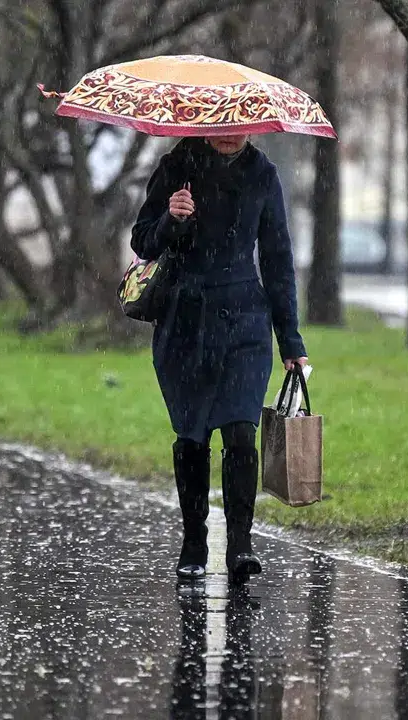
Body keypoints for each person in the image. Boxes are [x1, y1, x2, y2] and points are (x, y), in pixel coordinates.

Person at [131, 134, 308, 584]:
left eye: (242, 124)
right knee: (191, 437)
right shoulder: (177, 165)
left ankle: (241, 545)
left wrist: (290, 339)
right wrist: (171, 220)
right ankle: (194, 540)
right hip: (184, 323)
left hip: (245, 323)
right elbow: (143, 241)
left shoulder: (263, 174)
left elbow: (276, 257)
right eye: (223, 124)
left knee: (241, 432)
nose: (232, 133)